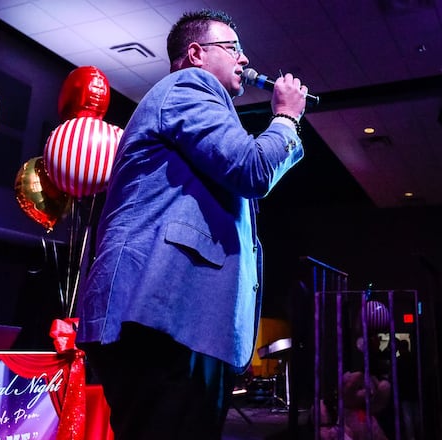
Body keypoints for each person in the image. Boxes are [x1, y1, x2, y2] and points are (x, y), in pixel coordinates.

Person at [75, 9, 308, 439]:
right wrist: (287, 118)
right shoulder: (188, 86)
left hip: (176, 318)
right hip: (161, 312)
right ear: (197, 54)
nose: (243, 59)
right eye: (233, 48)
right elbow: (251, 168)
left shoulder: (199, 101)